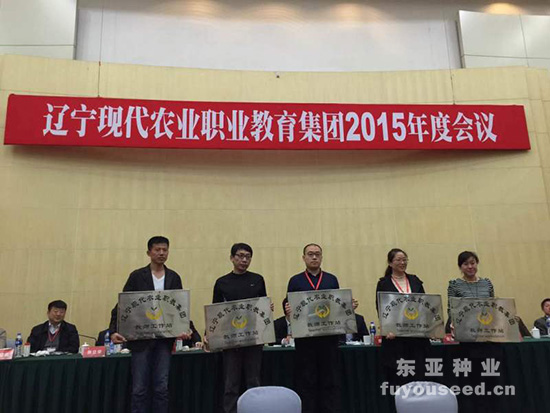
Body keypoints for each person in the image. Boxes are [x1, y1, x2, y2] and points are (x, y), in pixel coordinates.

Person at [109, 236, 191, 413]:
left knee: (161, 387)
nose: (161, 253)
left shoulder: (173, 277)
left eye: (165, 250)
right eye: (157, 250)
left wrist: (184, 328)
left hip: (164, 341)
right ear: (149, 252)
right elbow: (123, 305)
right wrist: (113, 331)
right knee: (139, 388)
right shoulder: (137, 276)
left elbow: (179, 306)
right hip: (141, 340)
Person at [212, 243, 268, 413]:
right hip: (230, 340)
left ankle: (255, 410)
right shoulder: (222, 282)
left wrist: (268, 308)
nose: (244, 260)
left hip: (254, 338)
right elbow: (216, 311)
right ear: (232, 258)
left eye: (248, 257)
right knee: (231, 383)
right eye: (240, 256)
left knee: (254, 381)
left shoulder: (257, 280)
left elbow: (263, 306)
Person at [286, 243, 342, 413]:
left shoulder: (331, 279)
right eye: (310, 254)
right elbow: (289, 305)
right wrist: (287, 309)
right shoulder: (295, 280)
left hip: (328, 338)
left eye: (317, 254)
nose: (314, 257)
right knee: (307, 380)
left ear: (322, 257)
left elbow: (337, 304)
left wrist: (347, 305)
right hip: (305, 339)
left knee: (329, 379)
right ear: (303, 258)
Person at [375, 248, 430, 384]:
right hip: (395, 338)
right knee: (399, 377)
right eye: (398, 260)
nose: (402, 263)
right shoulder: (384, 284)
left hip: (416, 336)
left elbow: (424, 305)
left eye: (405, 260)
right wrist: (387, 329)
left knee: (419, 375)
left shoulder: (415, 281)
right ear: (390, 263)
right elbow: (381, 308)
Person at [446, 250, 495, 333]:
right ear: (460, 267)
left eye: (472, 263)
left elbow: (492, 305)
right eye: (465, 264)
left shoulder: (487, 283)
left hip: (485, 326)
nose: (470, 266)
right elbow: (452, 310)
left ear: (477, 263)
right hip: (464, 328)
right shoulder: (454, 284)